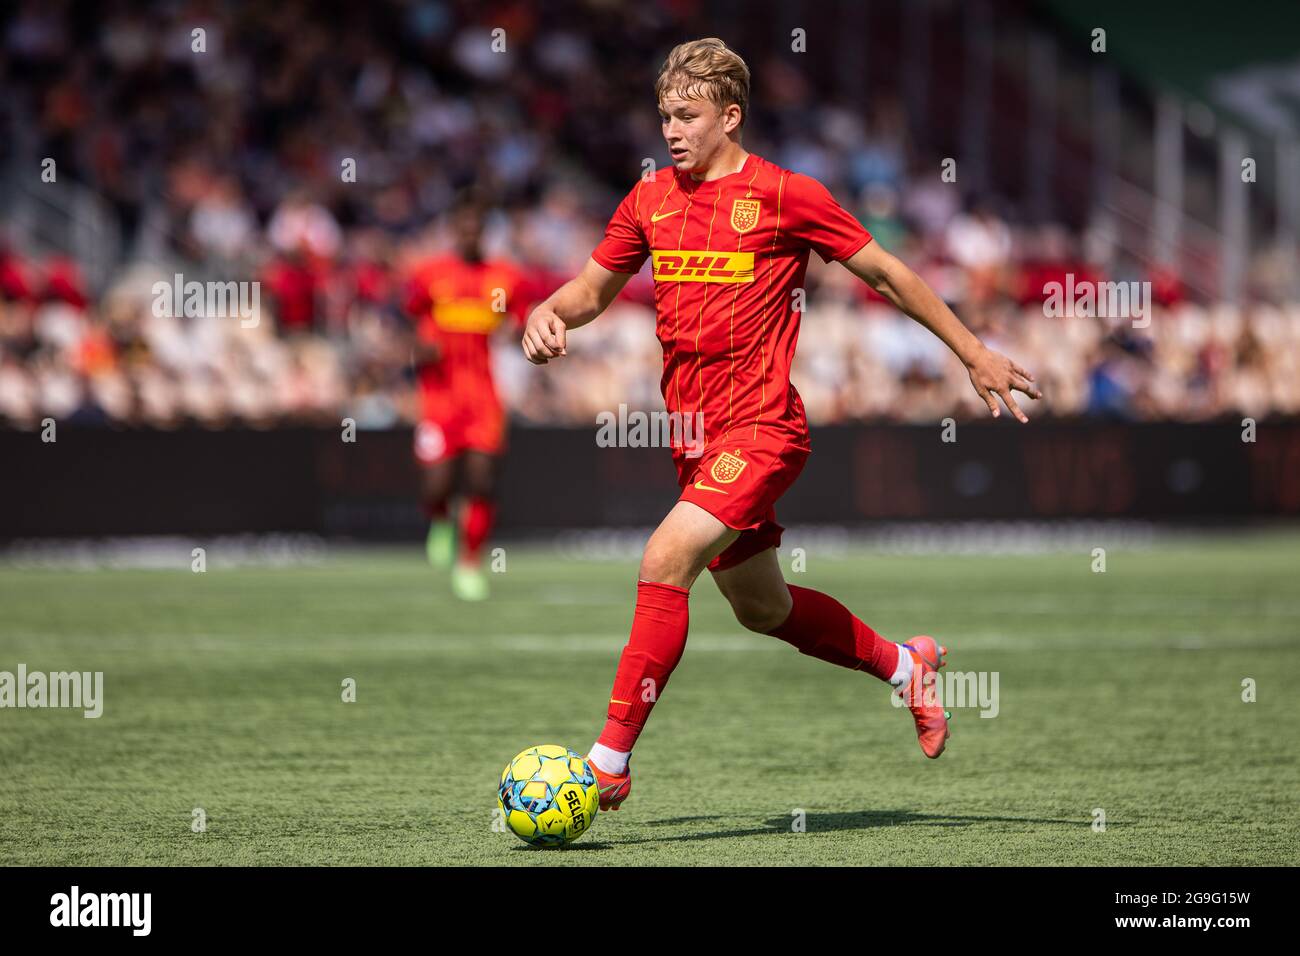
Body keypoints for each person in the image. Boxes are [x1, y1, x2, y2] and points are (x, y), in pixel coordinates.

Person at [521, 38, 1041, 808]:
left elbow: (886, 272)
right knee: (764, 608)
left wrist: (971, 350)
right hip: (692, 441)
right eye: (665, 115)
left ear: (730, 116)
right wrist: (546, 311)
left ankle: (607, 761)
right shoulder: (649, 200)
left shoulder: (785, 194)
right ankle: (908, 666)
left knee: (665, 558)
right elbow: (592, 292)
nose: (672, 131)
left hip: (762, 431)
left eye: (688, 116)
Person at [406, 193, 530, 601]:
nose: (469, 234)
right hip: (439, 398)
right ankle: (441, 519)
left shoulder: (504, 277)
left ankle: (471, 561)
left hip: (483, 397)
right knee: (435, 483)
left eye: (476, 228)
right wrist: (419, 350)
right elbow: (410, 324)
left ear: (484, 232)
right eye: (462, 227)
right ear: (453, 230)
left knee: (481, 478)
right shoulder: (429, 275)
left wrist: (517, 334)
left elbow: (519, 321)